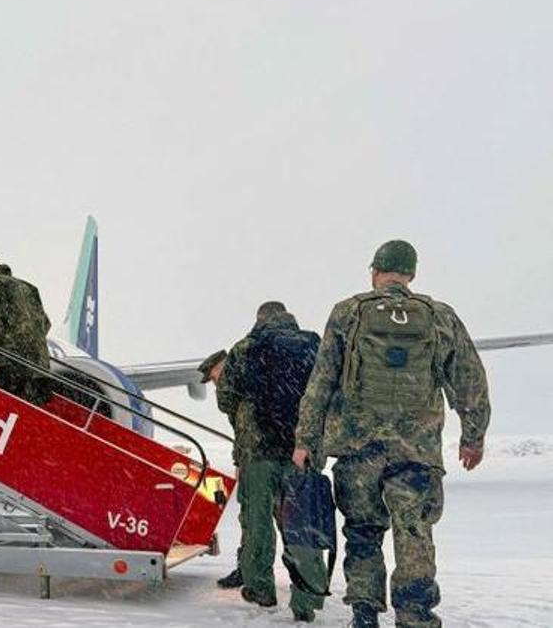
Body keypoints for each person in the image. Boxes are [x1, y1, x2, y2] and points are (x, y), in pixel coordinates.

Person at [293, 240, 490, 628]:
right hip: (416, 451)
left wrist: (306, 441)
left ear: (375, 272)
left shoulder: (348, 312)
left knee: (363, 531)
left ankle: (364, 613)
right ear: (411, 274)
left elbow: (321, 382)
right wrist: (473, 436)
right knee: (414, 531)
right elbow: (470, 380)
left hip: (358, 449)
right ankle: (415, 615)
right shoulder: (440, 316)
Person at [220, 304, 327, 622]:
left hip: (259, 453)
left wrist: (250, 419)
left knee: (258, 523)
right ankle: (306, 600)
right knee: (303, 525)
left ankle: (261, 588)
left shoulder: (245, 348)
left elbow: (226, 397)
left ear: (259, 320)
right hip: (301, 453)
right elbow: (329, 393)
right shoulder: (312, 345)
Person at [197, 348, 246, 590]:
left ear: (220, 368)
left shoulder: (235, 387)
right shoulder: (245, 383)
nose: (215, 384)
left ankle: (251, 573)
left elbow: (245, 430)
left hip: (258, 460)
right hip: (263, 457)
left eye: (214, 377)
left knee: (253, 520)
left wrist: (242, 461)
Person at [0, 257, 52, 405]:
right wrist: (29, 343)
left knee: (0, 408)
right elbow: (46, 324)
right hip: (39, 370)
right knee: (27, 415)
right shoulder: (29, 288)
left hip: (11, 366)